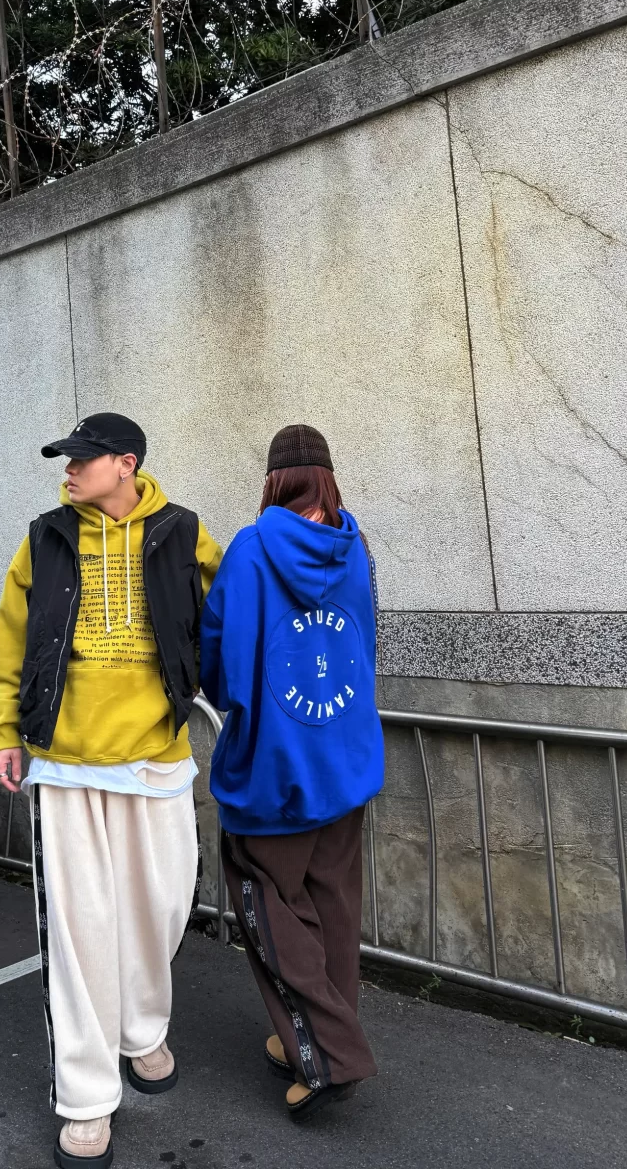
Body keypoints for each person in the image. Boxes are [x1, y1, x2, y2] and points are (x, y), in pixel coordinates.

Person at [0, 413, 221, 1169]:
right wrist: (4, 731)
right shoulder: (45, 538)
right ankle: (87, 1100)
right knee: (80, 932)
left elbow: (230, 621)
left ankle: (141, 1030)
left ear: (126, 464)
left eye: (81, 459)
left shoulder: (185, 534)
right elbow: (11, 641)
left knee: (162, 909)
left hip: (157, 755)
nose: (68, 470)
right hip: (64, 762)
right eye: (66, 459)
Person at [200, 424, 383, 1122]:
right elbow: (365, 645)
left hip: (274, 771)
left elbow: (220, 666)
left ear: (274, 481)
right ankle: (314, 1038)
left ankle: (331, 1055)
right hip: (346, 761)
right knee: (333, 909)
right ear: (328, 478)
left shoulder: (251, 550)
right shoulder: (356, 547)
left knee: (268, 907)